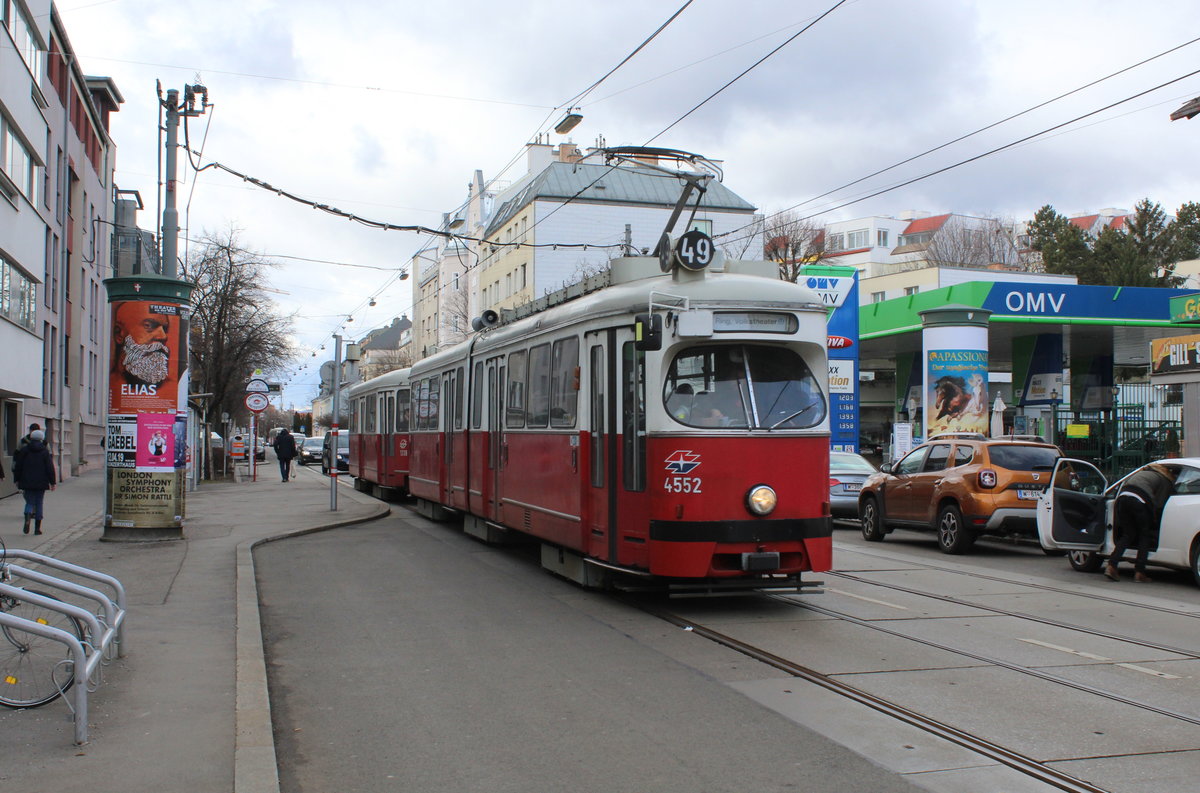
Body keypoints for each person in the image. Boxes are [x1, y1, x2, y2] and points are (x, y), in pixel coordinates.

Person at [1104, 463, 1176, 583]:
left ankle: (1112, 565)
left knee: (1128, 534)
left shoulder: (1143, 472)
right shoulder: (1165, 481)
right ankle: (1139, 572)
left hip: (1122, 499)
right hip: (1139, 501)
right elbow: (1159, 504)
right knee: (1144, 536)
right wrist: (1154, 520)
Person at [13, 429, 56, 536]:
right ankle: (37, 529)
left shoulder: (24, 450)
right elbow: (50, 468)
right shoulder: (45, 452)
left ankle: (27, 517)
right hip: (41, 481)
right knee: (39, 503)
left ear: (31, 437)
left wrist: (17, 479)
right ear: (41, 438)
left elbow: (19, 466)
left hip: (26, 480)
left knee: (29, 502)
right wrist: (52, 482)